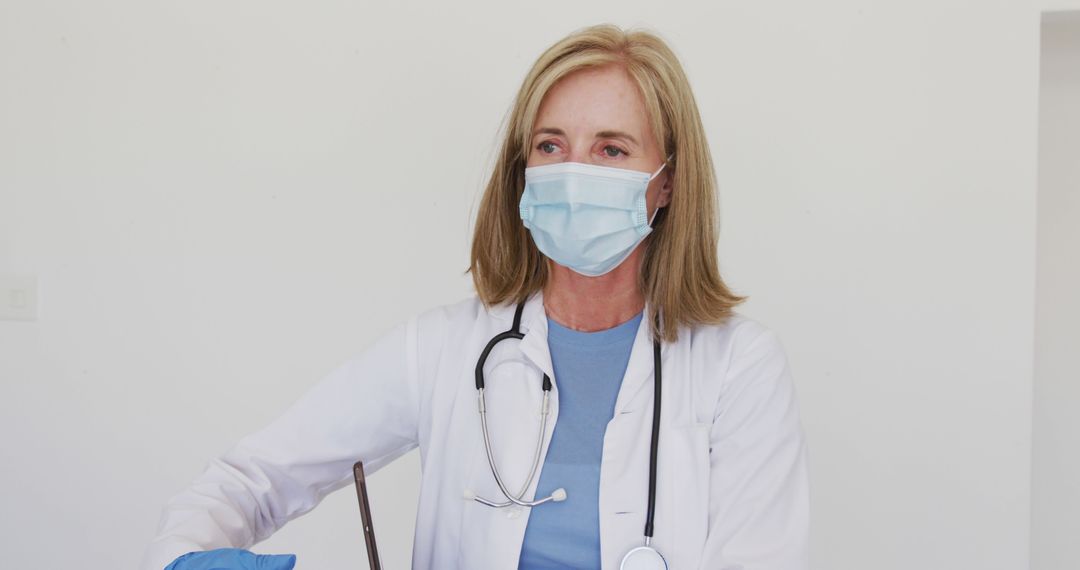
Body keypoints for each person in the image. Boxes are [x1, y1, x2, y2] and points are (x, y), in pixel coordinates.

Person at [142, 23, 810, 570]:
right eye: (551, 145)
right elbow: (251, 477)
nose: (574, 172)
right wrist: (183, 559)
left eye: (610, 150)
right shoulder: (442, 350)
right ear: (522, 173)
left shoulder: (737, 369)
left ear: (667, 183)